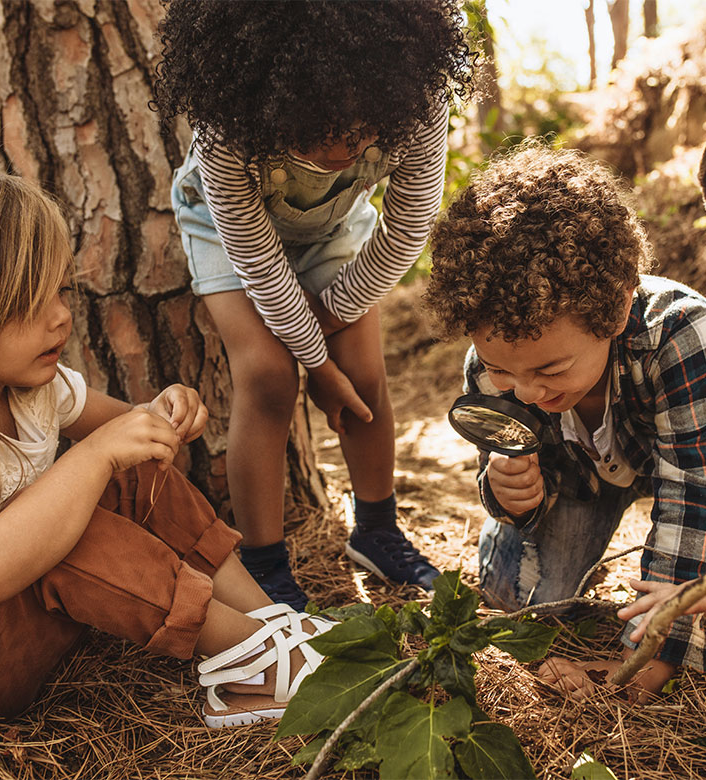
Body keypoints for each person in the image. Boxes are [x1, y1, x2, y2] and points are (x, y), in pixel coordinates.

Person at [0, 153, 331, 726]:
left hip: (7, 632)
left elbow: (131, 434)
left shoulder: (33, 388)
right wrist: (93, 454)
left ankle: (272, 624)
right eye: (27, 304)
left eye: (62, 291)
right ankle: (257, 662)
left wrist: (162, 411)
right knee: (69, 526)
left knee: (128, 470)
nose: (61, 317)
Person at [157, 0, 474, 609]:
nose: (342, 147)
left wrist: (329, 328)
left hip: (333, 229)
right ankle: (265, 564)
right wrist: (314, 365)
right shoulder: (229, 129)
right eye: (318, 127)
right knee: (270, 376)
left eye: (360, 129)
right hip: (228, 231)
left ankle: (379, 532)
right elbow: (258, 263)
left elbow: (406, 230)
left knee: (365, 375)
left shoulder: (418, 105)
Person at [422, 142, 706, 701]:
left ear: (618, 309)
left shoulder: (682, 340)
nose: (527, 391)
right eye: (505, 371)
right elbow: (497, 464)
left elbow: (692, 495)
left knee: (691, 607)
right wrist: (511, 495)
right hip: (576, 485)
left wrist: (647, 653)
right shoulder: (491, 363)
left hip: (679, 467)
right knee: (517, 598)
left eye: (551, 368)